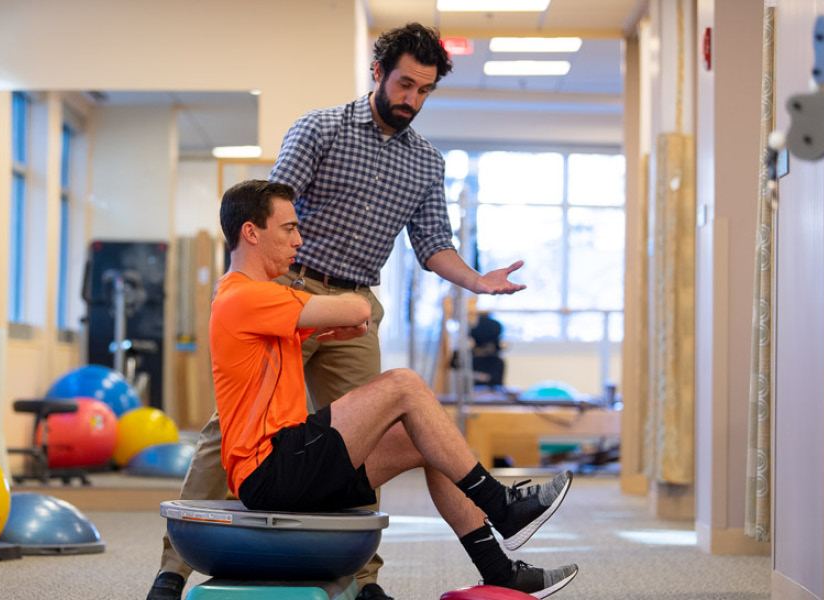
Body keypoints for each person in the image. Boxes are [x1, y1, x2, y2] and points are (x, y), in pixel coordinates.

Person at [147, 23, 544, 600]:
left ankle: (362, 578)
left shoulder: (426, 163)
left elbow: (433, 244)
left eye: (425, 91)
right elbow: (270, 214)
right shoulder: (321, 128)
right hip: (293, 294)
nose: (412, 100)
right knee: (225, 430)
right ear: (378, 73)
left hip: (356, 307)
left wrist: (478, 281)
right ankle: (173, 567)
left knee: (376, 431)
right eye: (405, 84)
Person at [212, 180, 578, 598]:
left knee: (428, 437)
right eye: (289, 229)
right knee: (403, 384)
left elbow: (348, 324)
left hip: (293, 464)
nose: (300, 239)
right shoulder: (245, 296)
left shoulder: (265, 301)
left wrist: (344, 316)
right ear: (251, 232)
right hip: (272, 467)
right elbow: (358, 309)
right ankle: (503, 506)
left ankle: (498, 569)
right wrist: (351, 310)